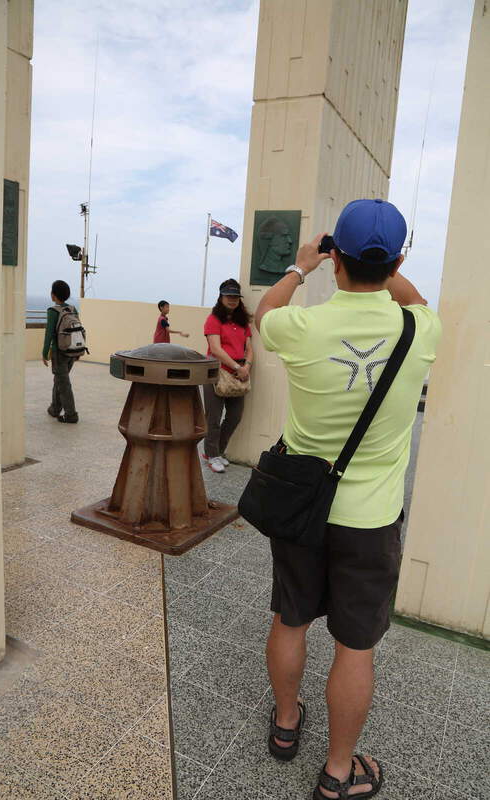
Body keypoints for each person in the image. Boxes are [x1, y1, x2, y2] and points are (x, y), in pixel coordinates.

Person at [255, 199, 441, 799]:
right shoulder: (420, 330)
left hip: (302, 510)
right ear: (398, 263)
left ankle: (287, 726)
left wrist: (301, 266)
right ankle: (339, 773)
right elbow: (413, 299)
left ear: (336, 258)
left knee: (291, 619)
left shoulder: (301, 327)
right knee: (355, 647)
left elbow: (265, 312)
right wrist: (387, 271)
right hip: (371, 519)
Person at [203, 279, 253, 473]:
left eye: (235, 296)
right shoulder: (213, 320)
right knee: (213, 418)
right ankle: (211, 455)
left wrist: (246, 366)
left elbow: (249, 348)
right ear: (221, 297)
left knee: (235, 416)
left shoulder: (243, 322)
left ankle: (218, 451)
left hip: (239, 373)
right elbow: (215, 349)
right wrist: (236, 367)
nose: (232, 299)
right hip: (216, 372)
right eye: (228, 296)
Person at [42, 280, 79, 423]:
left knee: (63, 384)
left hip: (59, 352)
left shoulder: (53, 311)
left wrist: (45, 352)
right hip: (72, 350)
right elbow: (78, 331)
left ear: (53, 295)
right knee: (59, 379)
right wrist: (78, 351)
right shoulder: (72, 309)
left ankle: (71, 414)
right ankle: (55, 408)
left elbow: (49, 334)